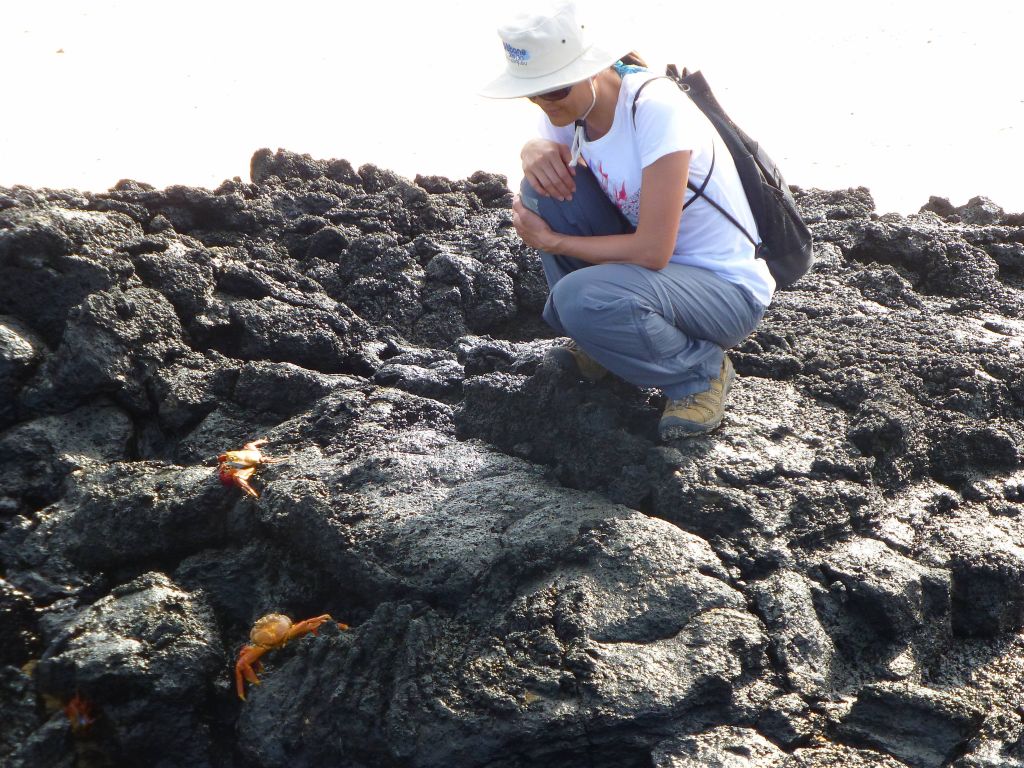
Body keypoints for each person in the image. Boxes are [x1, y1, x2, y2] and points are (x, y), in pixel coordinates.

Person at [479, 0, 774, 440]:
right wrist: (531, 150)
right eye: (532, 91)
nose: (544, 103)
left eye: (555, 89)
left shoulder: (654, 108)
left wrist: (553, 242)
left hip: (723, 292)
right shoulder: (571, 112)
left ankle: (700, 373)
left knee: (580, 299)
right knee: (542, 188)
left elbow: (654, 251)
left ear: (592, 68)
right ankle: (604, 343)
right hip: (654, 280)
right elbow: (548, 180)